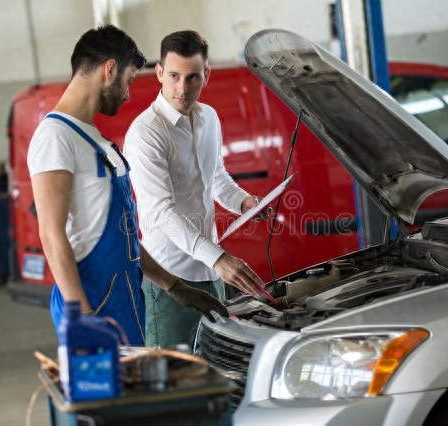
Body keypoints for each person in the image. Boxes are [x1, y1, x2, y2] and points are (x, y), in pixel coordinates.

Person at [27, 25, 228, 346]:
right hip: (91, 299)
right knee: (107, 395)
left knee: (142, 392)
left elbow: (125, 236)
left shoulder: (94, 138)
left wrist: (174, 286)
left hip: (124, 293)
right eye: (130, 80)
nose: (128, 93)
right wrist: (82, 315)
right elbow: (52, 236)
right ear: (109, 70)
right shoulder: (55, 137)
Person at [123, 30, 270, 348]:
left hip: (210, 274)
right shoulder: (146, 133)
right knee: (174, 380)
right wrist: (219, 258)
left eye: (192, 78)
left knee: (216, 368)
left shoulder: (209, 118)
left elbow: (216, 178)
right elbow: (162, 211)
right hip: (171, 277)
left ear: (206, 75)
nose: (182, 88)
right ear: (159, 73)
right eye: (174, 75)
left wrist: (244, 202)